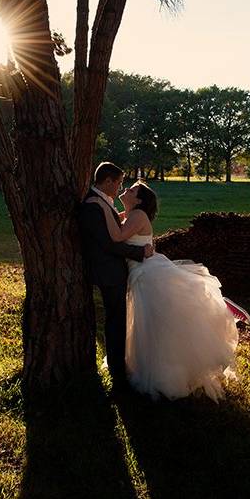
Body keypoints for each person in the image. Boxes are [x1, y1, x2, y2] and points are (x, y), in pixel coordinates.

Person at [86, 179, 248, 401]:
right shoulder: (130, 215)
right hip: (140, 270)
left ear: (139, 200)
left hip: (147, 273)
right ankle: (152, 365)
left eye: (131, 189)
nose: (126, 190)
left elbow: (115, 236)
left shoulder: (137, 215)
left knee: (159, 322)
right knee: (154, 323)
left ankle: (219, 312)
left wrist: (101, 204)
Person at [78, 163, 154, 394]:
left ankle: (121, 365)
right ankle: (117, 370)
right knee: (116, 320)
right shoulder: (93, 204)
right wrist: (139, 252)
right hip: (109, 272)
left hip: (122, 270)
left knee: (120, 319)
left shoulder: (101, 201)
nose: (122, 187)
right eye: (120, 182)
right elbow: (109, 242)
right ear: (109, 181)